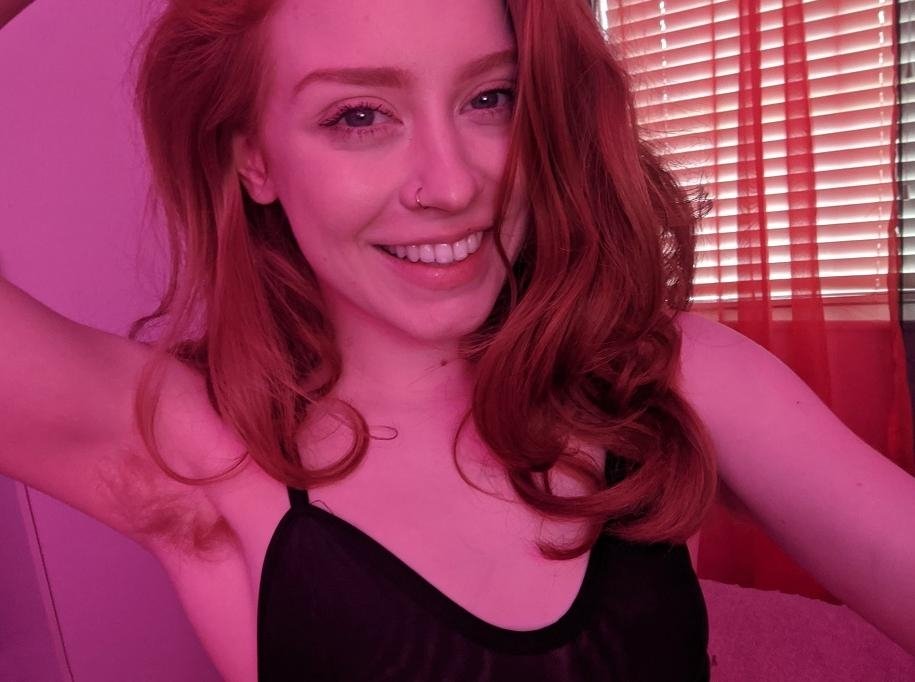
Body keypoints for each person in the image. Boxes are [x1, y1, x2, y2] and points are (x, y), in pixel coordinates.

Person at [2, 0, 914, 680]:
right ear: (254, 160)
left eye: (490, 98)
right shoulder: (195, 445)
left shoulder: (666, 372)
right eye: (359, 116)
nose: (450, 184)